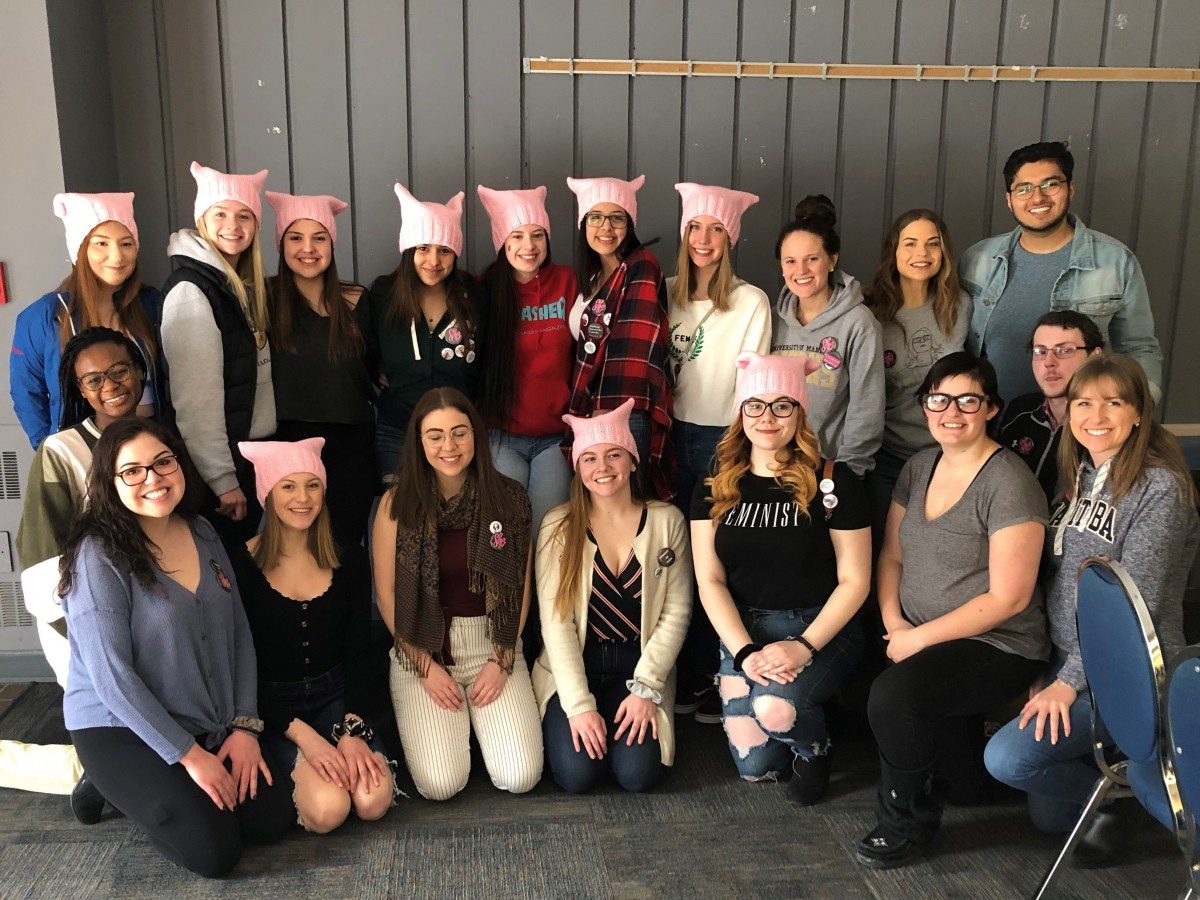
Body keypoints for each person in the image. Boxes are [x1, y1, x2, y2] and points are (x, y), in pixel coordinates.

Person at [985, 354, 1199, 863]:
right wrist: (1048, 666)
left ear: (1139, 413)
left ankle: (1129, 792)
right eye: (1083, 402)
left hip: (1127, 672)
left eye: (1113, 402)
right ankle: (1112, 792)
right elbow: (1058, 583)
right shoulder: (1081, 475)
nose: (1095, 415)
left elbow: (1133, 606)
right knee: (1050, 817)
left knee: (1009, 760)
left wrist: (1068, 681)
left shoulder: (1160, 489)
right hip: (1072, 662)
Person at [59, 418, 292, 877]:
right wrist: (189, 756)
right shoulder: (98, 556)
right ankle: (112, 785)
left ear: (179, 464)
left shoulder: (202, 531)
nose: (153, 479)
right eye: (133, 471)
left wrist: (244, 727)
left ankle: (163, 790)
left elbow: (238, 633)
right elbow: (113, 678)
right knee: (214, 853)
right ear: (110, 481)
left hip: (202, 713)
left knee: (272, 820)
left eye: (163, 462)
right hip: (120, 726)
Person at [855, 352, 1048, 868]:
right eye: (938, 399)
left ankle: (906, 822)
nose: (951, 411)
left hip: (999, 644)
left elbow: (1009, 597)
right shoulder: (919, 467)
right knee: (964, 783)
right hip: (919, 635)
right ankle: (953, 778)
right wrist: (895, 623)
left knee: (891, 698)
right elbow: (891, 555)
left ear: (991, 409)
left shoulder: (1009, 482)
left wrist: (917, 640)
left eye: (968, 399)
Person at [691, 352, 871, 803]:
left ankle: (815, 748)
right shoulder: (716, 483)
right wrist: (745, 651)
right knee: (756, 767)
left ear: (800, 412)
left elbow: (856, 581)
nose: (767, 417)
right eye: (755, 405)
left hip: (816, 628)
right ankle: (791, 709)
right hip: (743, 631)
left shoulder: (833, 481)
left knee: (774, 709)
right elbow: (709, 580)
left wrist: (804, 646)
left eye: (782, 405)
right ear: (741, 413)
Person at [0, 328, 145, 814]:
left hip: (147, 614)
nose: (111, 385)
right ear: (79, 390)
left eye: (120, 370)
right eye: (94, 379)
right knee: (120, 731)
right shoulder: (60, 453)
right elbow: (44, 574)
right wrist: (92, 640)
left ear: (140, 370)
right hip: (83, 626)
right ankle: (90, 776)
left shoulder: (158, 438)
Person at [372, 388, 542, 800]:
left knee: (521, 777)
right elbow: (387, 593)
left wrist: (501, 660)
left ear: (476, 436)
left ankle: (482, 728)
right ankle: (461, 731)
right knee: (439, 785)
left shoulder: (511, 498)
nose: (448, 446)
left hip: (494, 643)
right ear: (419, 442)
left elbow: (520, 590)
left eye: (459, 433)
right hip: (422, 646)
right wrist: (424, 666)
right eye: (435, 435)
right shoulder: (397, 503)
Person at [232, 438, 395, 834]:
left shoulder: (348, 557)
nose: (302, 498)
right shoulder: (239, 564)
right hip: (273, 709)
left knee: (372, 801)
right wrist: (309, 740)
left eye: (312, 484)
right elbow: (242, 665)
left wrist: (351, 731)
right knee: (328, 810)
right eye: (288, 486)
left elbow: (360, 649)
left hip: (337, 697)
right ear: (267, 494)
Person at [534, 399, 691, 793]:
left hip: (638, 670)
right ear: (577, 468)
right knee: (578, 775)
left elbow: (676, 612)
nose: (602, 468)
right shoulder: (559, 525)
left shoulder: (666, 521)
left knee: (638, 776)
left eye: (613, 455)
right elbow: (556, 625)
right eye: (589, 458)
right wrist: (579, 706)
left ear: (633, 461)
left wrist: (646, 689)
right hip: (573, 668)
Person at [666, 183, 771, 723]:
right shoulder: (663, 292)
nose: (703, 239)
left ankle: (714, 673)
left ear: (730, 238)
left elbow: (750, 387)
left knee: (715, 562)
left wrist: (737, 454)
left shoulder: (751, 301)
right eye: (694, 228)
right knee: (672, 560)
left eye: (715, 229)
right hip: (667, 437)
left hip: (719, 440)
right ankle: (675, 674)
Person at [959, 140, 1163, 403]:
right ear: (1009, 200)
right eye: (1024, 189)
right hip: (990, 426)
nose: (1037, 197)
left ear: (1070, 189)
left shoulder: (1114, 261)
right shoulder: (977, 259)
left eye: (1050, 184)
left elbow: (1139, 348)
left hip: (1079, 429)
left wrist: (1139, 409)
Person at [160, 161, 274, 543]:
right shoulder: (193, 291)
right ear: (202, 219)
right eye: (221, 213)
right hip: (223, 473)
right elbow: (196, 404)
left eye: (244, 215)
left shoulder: (235, 287)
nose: (233, 225)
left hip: (247, 457)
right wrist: (224, 480)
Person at [265, 191, 376, 548]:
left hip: (352, 443)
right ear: (281, 245)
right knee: (296, 548)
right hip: (289, 442)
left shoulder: (357, 299)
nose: (308, 248)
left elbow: (378, 368)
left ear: (332, 243)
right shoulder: (263, 300)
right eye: (296, 237)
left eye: (319, 237)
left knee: (346, 547)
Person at [11, 192, 161, 449]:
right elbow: (27, 394)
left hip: (151, 441)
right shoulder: (44, 316)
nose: (116, 257)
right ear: (79, 249)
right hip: (86, 449)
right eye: (101, 243)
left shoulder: (151, 303)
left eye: (126, 244)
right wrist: (51, 451)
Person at [362, 185, 488, 482]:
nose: (434, 261)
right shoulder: (384, 293)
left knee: (453, 514)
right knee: (396, 513)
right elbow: (365, 350)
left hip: (456, 434)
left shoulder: (474, 296)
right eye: (423, 248)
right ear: (409, 251)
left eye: (444, 250)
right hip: (398, 428)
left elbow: (488, 358)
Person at [564, 174, 674, 501]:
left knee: (631, 507)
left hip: (625, 412)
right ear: (584, 224)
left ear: (630, 224)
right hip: (592, 412)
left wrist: (609, 411)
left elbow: (637, 346)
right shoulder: (594, 277)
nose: (606, 228)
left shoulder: (641, 266)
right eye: (596, 217)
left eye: (617, 218)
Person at [476, 184, 577, 536]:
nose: (528, 246)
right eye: (516, 236)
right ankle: (508, 595)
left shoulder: (567, 281)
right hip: (502, 436)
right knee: (505, 534)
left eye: (537, 235)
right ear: (502, 241)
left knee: (547, 533)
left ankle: (543, 595)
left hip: (555, 435)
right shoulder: (486, 288)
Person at [864, 209, 970, 522]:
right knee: (886, 549)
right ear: (893, 251)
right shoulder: (871, 313)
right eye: (910, 244)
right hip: (888, 457)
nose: (921, 253)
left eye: (932, 244)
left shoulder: (960, 305)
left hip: (948, 454)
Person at [770, 194, 884, 477]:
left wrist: (847, 472)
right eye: (791, 261)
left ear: (832, 260)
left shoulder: (858, 324)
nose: (801, 271)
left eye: (812, 259)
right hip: (774, 465)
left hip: (829, 469)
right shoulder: (772, 320)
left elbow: (866, 409)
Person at [998, 310, 1104, 502]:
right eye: (1040, 351)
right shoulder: (1019, 411)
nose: (1049, 362)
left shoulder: (1104, 426)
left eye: (1064, 350)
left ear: (1094, 357)